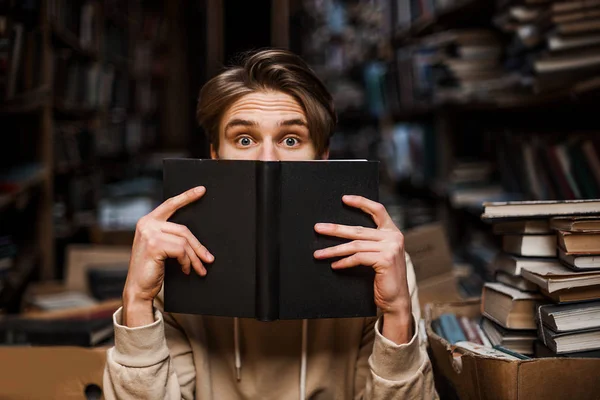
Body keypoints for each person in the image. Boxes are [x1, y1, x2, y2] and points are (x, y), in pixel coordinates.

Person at [103, 48, 438, 400]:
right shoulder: (170, 262)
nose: (267, 160)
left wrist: (398, 314)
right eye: (244, 140)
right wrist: (138, 301)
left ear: (322, 157)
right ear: (216, 155)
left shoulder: (378, 261)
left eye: (291, 139)